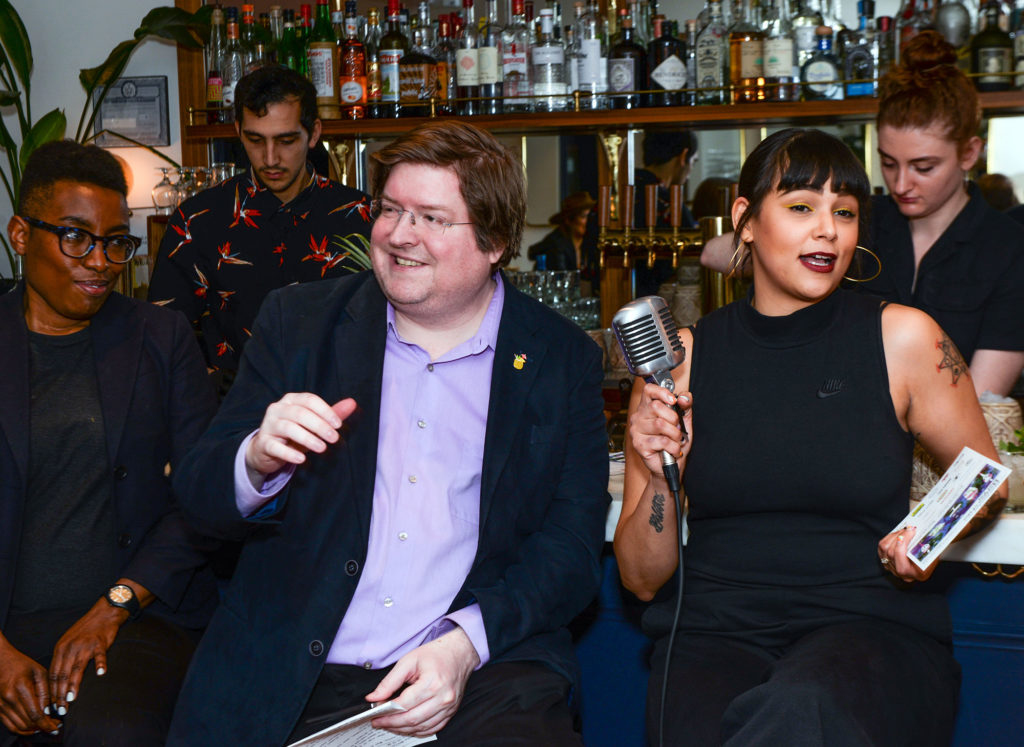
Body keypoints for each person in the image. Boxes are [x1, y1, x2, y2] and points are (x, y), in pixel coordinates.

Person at [167, 121, 610, 745]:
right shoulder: (299, 324)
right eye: (390, 210)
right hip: (291, 665)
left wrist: (465, 644)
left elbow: (569, 548)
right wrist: (256, 460)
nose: (399, 235)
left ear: (494, 242)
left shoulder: (558, 359)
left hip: (478, 670)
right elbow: (199, 495)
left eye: (431, 217)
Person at [617, 128, 1007, 746]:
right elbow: (641, 579)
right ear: (745, 220)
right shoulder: (680, 362)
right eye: (801, 207)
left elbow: (985, 478)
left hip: (872, 629)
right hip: (715, 632)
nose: (827, 229)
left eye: (845, 213)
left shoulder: (904, 339)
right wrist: (660, 466)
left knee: (800, 711)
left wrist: (927, 535)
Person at [0, 140, 219, 745]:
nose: (100, 261)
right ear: (21, 235)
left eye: (116, 241)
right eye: (75, 237)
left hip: (132, 617)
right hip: (7, 626)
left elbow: (201, 497)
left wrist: (115, 604)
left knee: (112, 734)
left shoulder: (158, 337)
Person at [702, 32, 1024, 397]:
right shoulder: (853, 221)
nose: (901, 184)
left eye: (924, 167)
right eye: (888, 163)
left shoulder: (1009, 248)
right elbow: (713, 252)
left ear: (970, 153)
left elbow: (981, 400)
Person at [148, 65, 372, 381]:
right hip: (231, 412)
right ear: (238, 131)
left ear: (314, 134)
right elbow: (165, 334)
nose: (270, 158)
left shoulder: (361, 215)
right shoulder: (198, 221)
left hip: (342, 409)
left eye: (286, 140)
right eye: (255, 140)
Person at [634, 130, 699, 298]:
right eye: (694, 161)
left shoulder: (619, 194)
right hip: (657, 303)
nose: (690, 171)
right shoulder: (669, 203)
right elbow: (690, 266)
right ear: (684, 156)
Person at [527, 190, 597, 272]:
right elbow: (563, 277)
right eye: (583, 216)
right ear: (569, 220)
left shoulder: (588, 241)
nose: (588, 221)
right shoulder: (557, 243)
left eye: (590, 216)